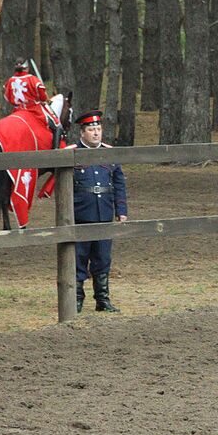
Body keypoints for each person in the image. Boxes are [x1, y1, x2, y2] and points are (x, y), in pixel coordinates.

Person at [70, 111, 128, 313]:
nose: (96, 133)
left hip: (104, 213)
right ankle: (76, 299)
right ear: (82, 132)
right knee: (78, 257)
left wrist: (121, 210)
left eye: (98, 129)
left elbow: (119, 183)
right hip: (80, 215)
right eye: (91, 130)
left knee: (102, 258)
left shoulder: (110, 154)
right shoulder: (72, 153)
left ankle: (102, 300)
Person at [3, 57, 63, 148]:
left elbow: (7, 97)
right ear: (26, 68)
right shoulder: (32, 79)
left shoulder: (10, 81)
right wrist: (44, 100)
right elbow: (42, 95)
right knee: (57, 126)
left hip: (17, 110)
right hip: (34, 109)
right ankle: (55, 151)